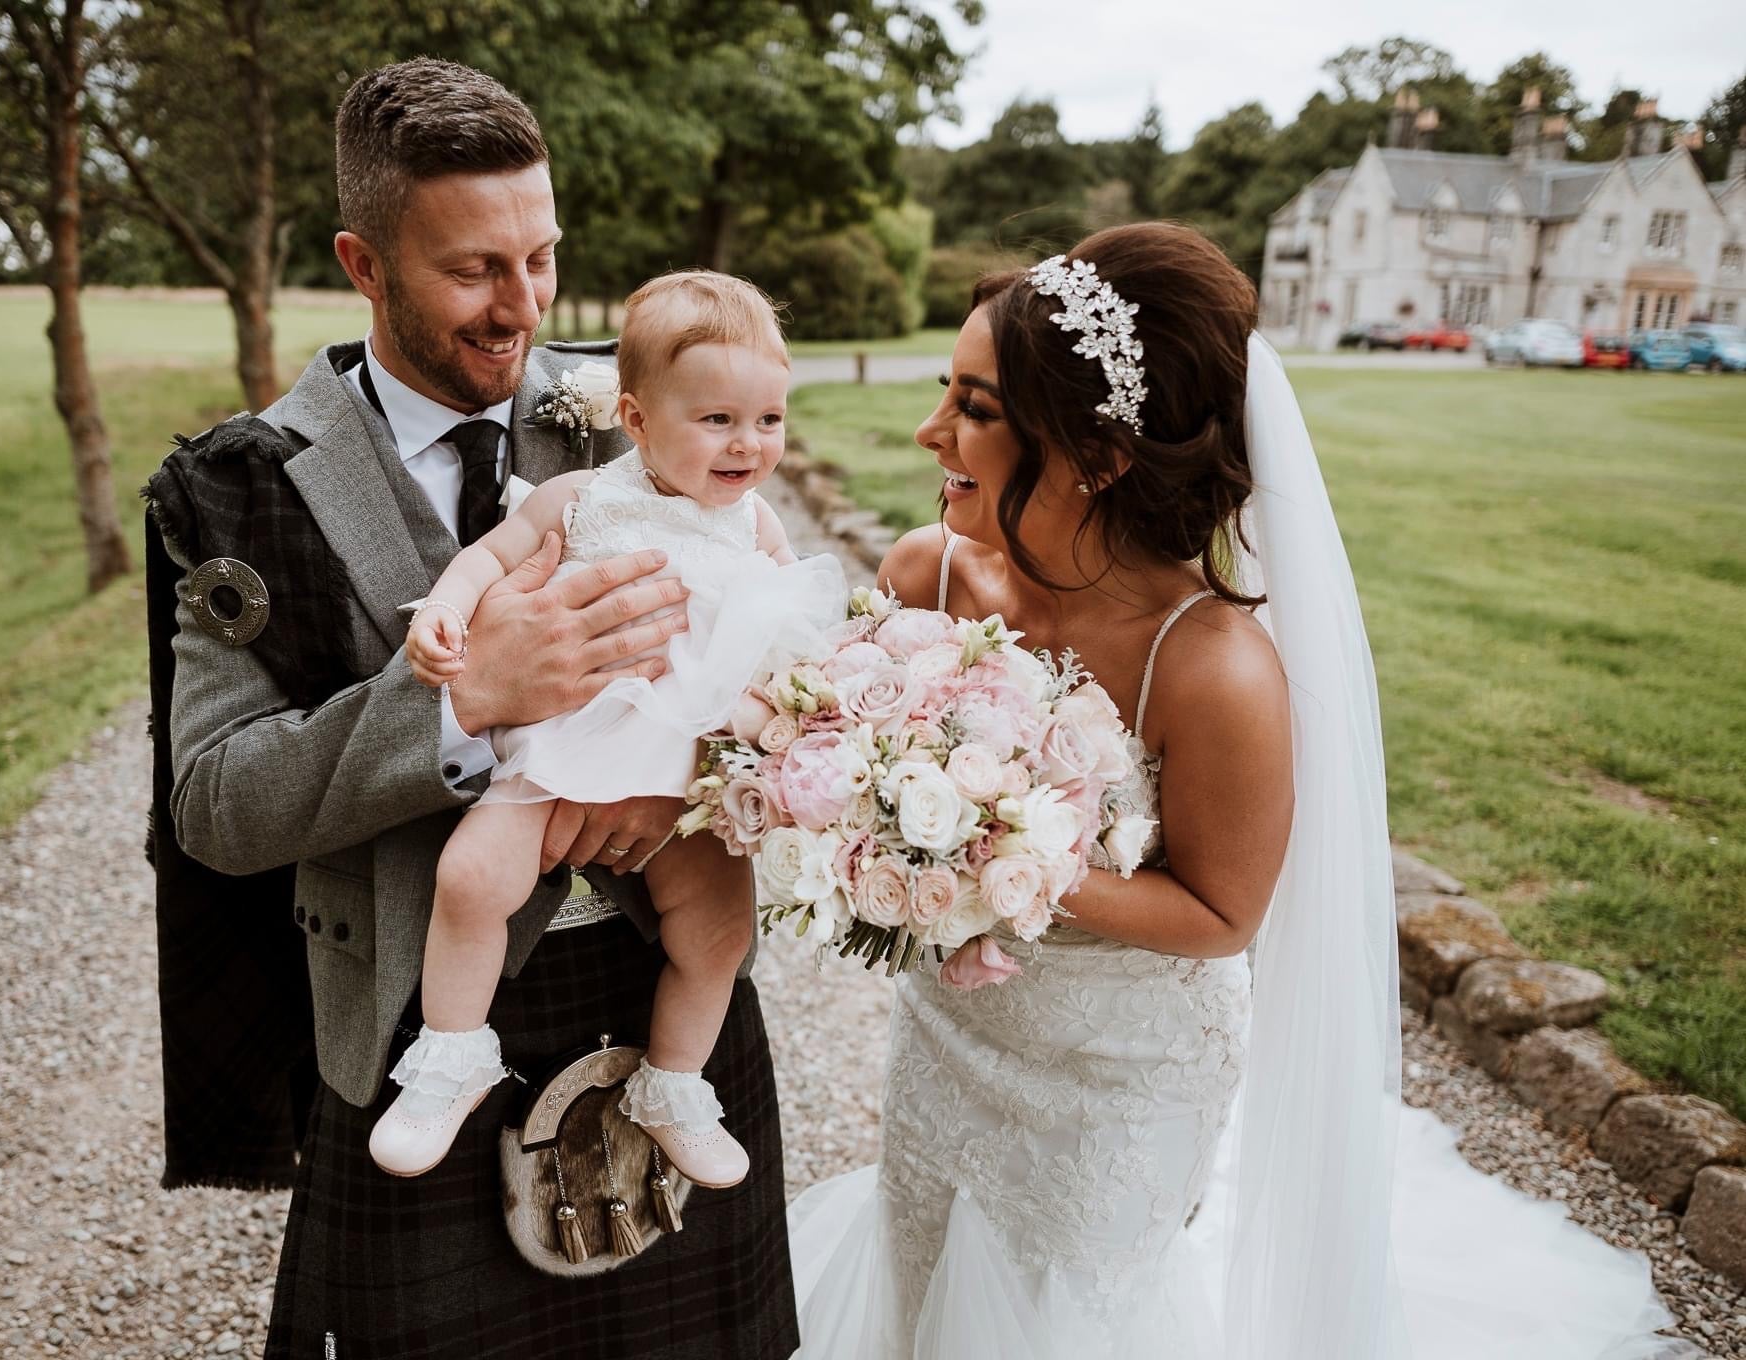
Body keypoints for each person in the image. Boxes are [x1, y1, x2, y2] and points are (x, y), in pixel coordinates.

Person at [785, 222, 1679, 1357]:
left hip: (1118, 1074)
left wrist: (991, 861)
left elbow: (1220, 916)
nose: (931, 432)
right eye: (944, 394)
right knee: (921, 1281)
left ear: (1100, 453)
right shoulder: (930, 574)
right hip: (950, 1037)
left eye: (977, 407)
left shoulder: (1211, 668)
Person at [145, 59, 799, 1359]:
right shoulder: (234, 489)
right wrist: (464, 706)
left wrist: (690, 771)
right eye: (473, 270)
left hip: (669, 1012)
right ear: (365, 261)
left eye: (541, 257)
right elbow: (212, 803)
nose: (523, 308)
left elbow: (765, 645)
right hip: (416, 1027)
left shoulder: (651, 405)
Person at [373, 270, 846, 1187]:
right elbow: (488, 558)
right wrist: (444, 611)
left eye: (769, 420)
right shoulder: (580, 498)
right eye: (717, 420)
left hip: (686, 768)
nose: (748, 445)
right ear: (634, 418)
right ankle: (451, 1055)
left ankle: (673, 1085)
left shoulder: (756, 523)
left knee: (718, 931)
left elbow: (801, 636)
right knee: (472, 878)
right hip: (568, 742)